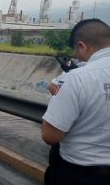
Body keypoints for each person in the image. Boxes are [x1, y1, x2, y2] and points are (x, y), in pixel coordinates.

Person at [42, 19, 110, 184]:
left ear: (82, 46)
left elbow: (50, 136)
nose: (76, 56)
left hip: (81, 174)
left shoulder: (76, 78)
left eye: (76, 50)